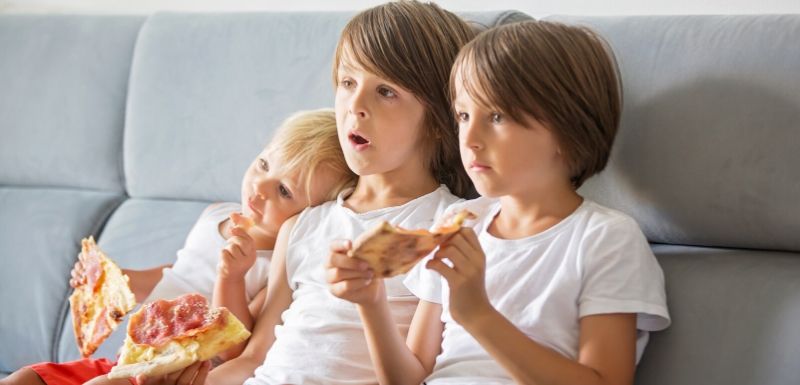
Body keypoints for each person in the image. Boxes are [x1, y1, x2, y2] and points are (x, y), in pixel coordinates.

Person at [328, 20, 671, 385]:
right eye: (463, 115)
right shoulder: (461, 222)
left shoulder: (606, 239)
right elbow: (408, 378)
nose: (470, 138)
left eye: (496, 116)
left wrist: (478, 315)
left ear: (566, 129)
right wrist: (372, 303)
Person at [185, 2, 476, 385]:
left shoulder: (444, 230)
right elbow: (253, 358)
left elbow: (415, 374)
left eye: (385, 91)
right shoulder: (303, 226)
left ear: (439, 120)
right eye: (348, 83)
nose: (355, 106)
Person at [0, 108, 356, 385]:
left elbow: (235, 349)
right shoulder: (215, 214)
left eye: (284, 191)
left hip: (172, 374)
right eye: (263, 164)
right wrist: (115, 280)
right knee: (23, 378)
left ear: (313, 215)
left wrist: (231, 277)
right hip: (127, 361)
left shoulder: (277, 263)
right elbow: (174, 276)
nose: (259, 188)